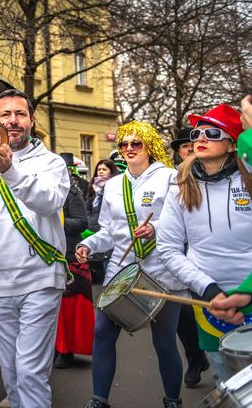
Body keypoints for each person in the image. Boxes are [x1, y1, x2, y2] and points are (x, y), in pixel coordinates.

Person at [0, 89, 69, 408]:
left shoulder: (51, 163)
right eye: (6, 115)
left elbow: (50, 201)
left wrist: (10, 171)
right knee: (10, 368)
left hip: (41, 278)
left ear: (31, 121)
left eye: (20, 114)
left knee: (31, 369)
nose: (13, 120)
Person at [75, 121, 186, 408]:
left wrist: (156, 228)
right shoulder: (112, 186)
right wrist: (88, 245)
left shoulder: (170, 178)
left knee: (164, 343)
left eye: (136, 143)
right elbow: (109, 232)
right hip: (121, 274)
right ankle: (99, 398)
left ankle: (173, 399)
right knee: (102, 333)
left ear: (149, 146)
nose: (129, 149)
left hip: (161, 272)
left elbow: (185, 223)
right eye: (123, 144)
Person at [157, 103, 252, 383]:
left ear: (232, 144)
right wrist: (208, 289)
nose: (200, 138)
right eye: (197, 133)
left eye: (212, 133)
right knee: (225, 380)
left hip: (250, 293)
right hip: (208, 300)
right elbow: (168, 248)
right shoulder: (179, 184)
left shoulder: (249, 181)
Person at [167, 127, 209, 388]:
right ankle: (195, 359)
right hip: (179, 255)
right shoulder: (172, 179)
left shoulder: (216, 172)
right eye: (185, 146)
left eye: (194, 144)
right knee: (184, 315)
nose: (191, 149)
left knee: (209, 309)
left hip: (207, 255)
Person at [54, 174, 93, 369]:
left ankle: (66, 350)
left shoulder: (71, 191)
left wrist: (56, 221)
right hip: (44, 255)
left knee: (68, 310)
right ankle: (53, 348)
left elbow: (81, 222)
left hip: (69, 255)